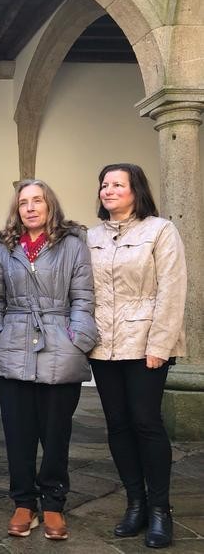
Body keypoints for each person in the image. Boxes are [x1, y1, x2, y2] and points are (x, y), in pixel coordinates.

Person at [0, 179, 97, 540]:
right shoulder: (4, 248)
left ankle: (53, 504)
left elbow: (83, 297)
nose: (30, 208)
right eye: (23, 203)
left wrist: (79, 339)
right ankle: (23, 503)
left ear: (50, 206)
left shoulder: (73, 245)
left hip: (60, 344)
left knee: (55, 432)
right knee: (18, 432)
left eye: (37, 201)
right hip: (13, 343)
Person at [87, 163, 186, 549]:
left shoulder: (161, 230)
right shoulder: (91, 236)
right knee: (117, 425)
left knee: (146, 422)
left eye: (117, 184)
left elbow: (172, 290)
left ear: (135, 190)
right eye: (104, 184)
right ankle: (135, 503)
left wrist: (160, 346)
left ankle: (161, 509)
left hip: (145, 344)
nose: (108, 190)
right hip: (103, 346)